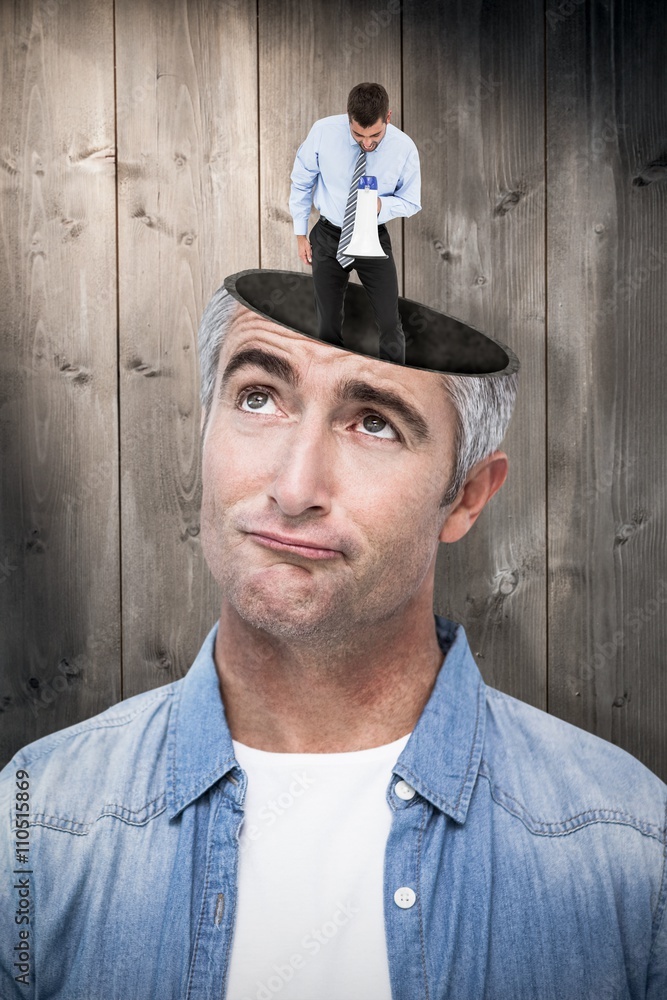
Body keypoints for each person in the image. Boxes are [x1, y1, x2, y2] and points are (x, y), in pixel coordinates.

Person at [1, 280, 666, 1000]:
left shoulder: (629, 848)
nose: (293, 488)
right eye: (258, 398)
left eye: (373, 422)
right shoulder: (34, 828)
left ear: (466, 496)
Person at [289, 82, 421, 364]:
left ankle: (393, 385)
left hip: (372, 235)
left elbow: (412, 201)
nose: (367, 143)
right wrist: (300, 234)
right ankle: (331, 385)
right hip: (327, 236)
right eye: (358, 134)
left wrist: (381, 206)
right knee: (327, 324)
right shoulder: (323, 132)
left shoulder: (404, 148)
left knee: (389, 322)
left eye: (375, 134)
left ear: (388, 116)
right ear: (348, 118)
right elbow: (301, 181)